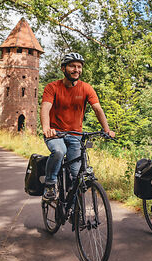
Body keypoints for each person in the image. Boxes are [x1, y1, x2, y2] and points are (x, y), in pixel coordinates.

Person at [40, 52, 115, 199]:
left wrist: (107, 129)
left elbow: (97, 109)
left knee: (77, 176)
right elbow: (45, 107)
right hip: (55, 133)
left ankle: (76, 213)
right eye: (72, 66)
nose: (76, 70)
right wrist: (46, 128)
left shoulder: (86, 88)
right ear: (63, 68)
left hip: (75, 135)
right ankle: (50, 184)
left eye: (79, 67)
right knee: (59, 152)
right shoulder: (52, 87)